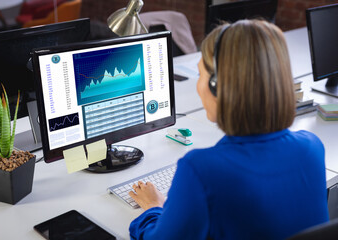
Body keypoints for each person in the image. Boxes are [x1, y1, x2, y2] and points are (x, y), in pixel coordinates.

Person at [128, 19, 329, 240]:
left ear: (217, 86)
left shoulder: (201, 169)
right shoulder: (312, 147)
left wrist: (154, 208)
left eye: (201, 74)